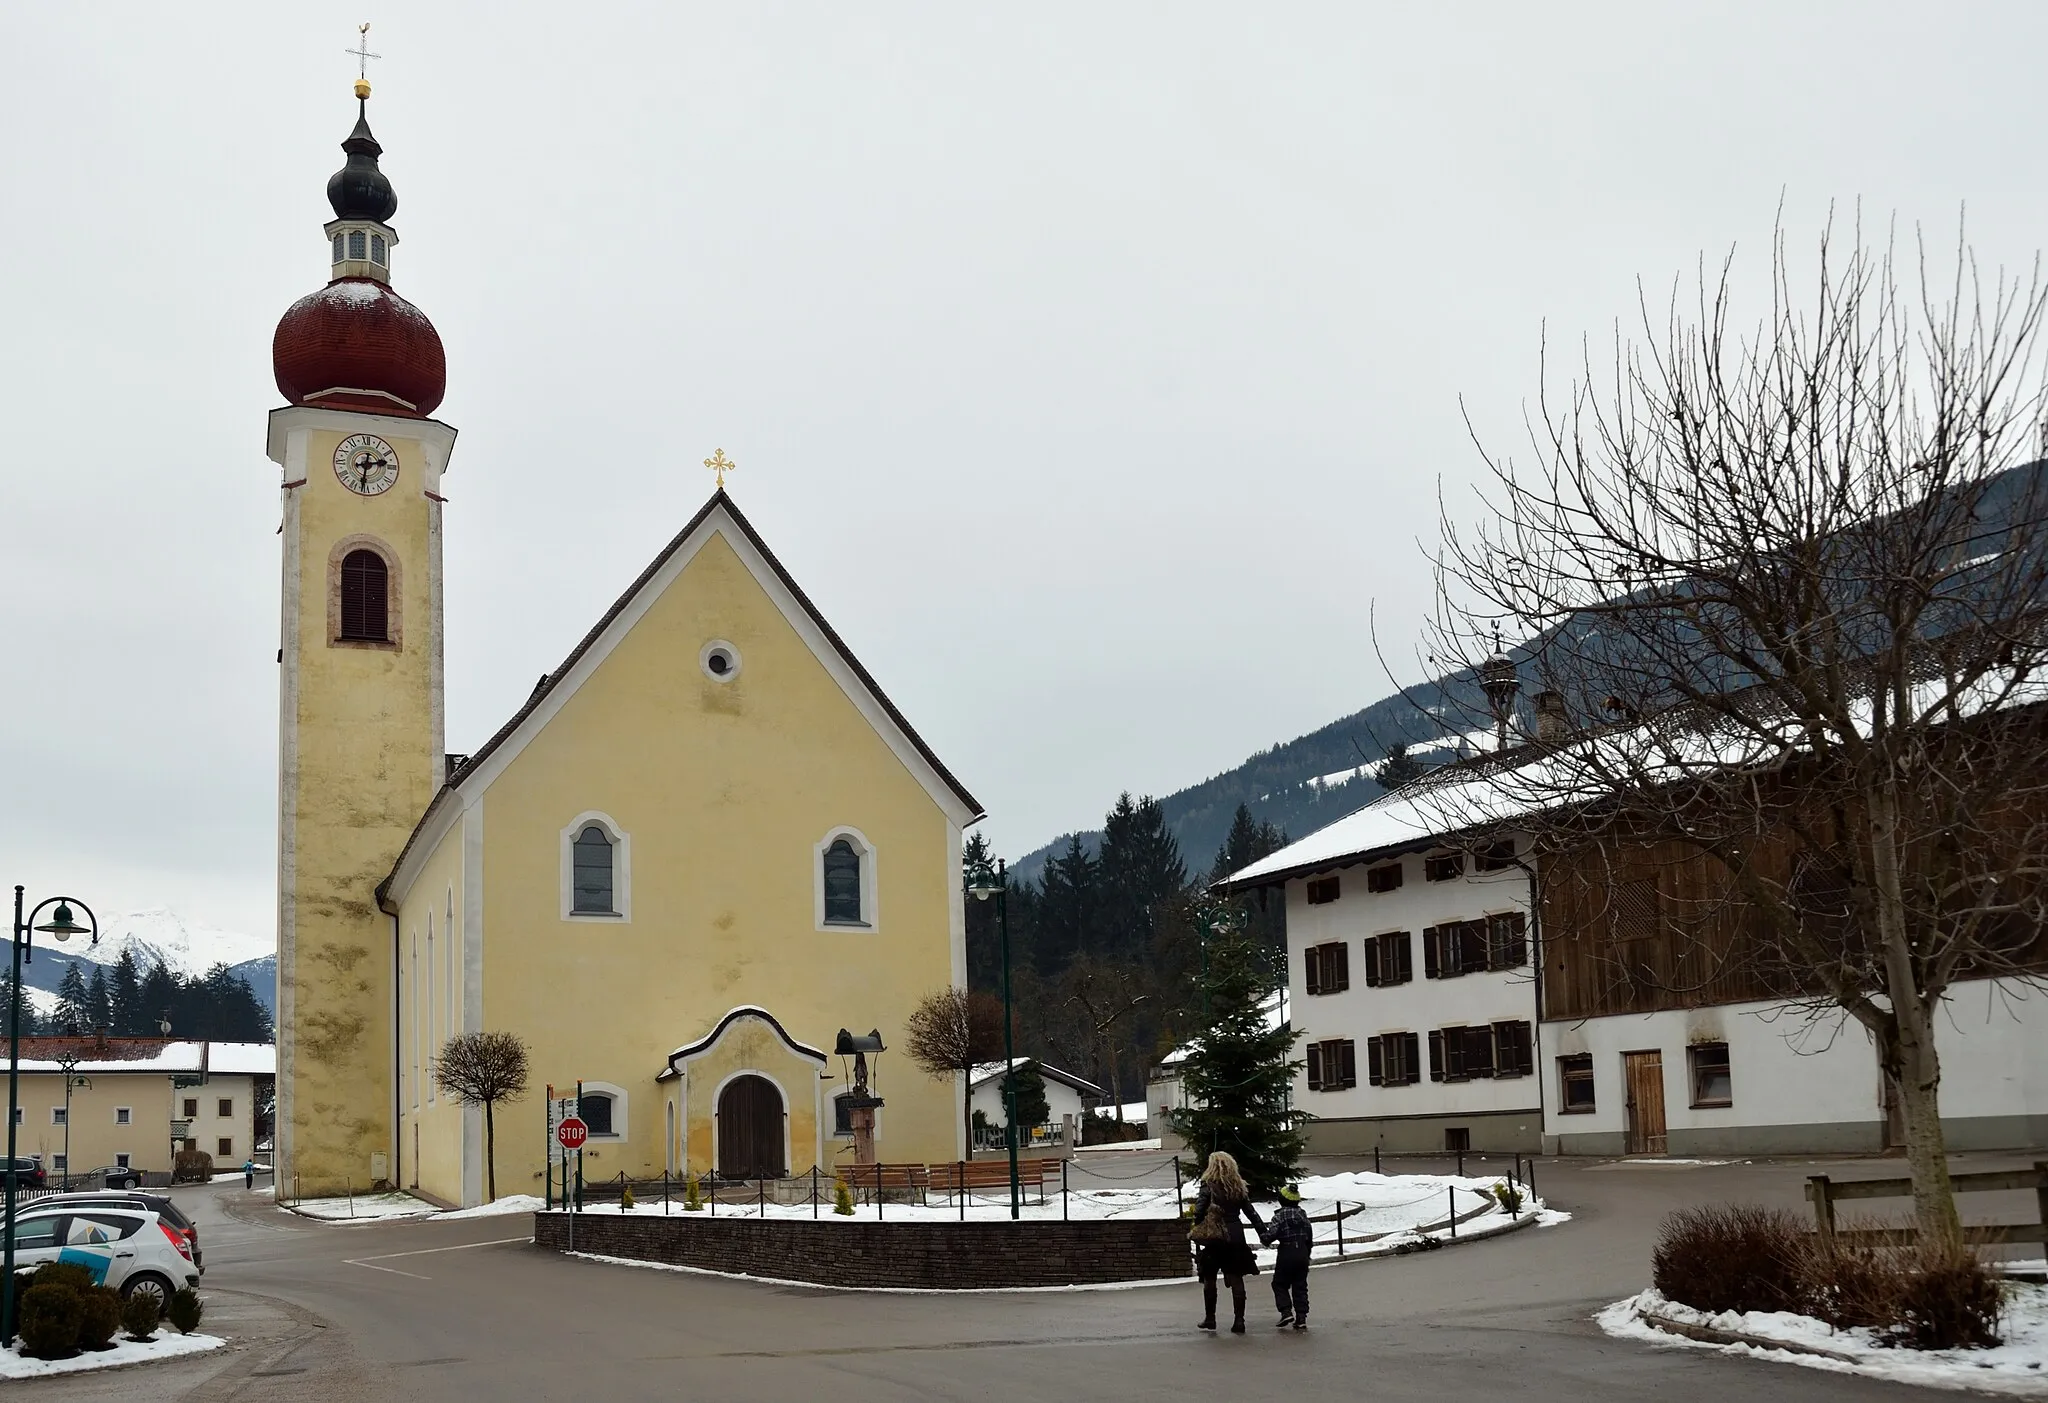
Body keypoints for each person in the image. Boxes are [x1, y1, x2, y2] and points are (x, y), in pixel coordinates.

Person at [1186, 1150, 1264, 1334]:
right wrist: (1263, 1232)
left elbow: (1198, 1211)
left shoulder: (1208, 1186)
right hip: (1235, 1235)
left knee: (1210, 1277)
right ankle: (1239, 1320)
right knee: (1236, 1277)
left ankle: (1210, 1318)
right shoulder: (1238, 1186)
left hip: (1215, 1236)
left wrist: (1199, 1225)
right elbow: (1251, 1212)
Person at [1262, 1182, 1312, 1330]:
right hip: (1302, 1252)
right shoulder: (1303, 1215)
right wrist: (1307, 1253)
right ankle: (1301, 1317)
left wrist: (1264, 1236)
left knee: (1279, 1283)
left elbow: (1270, 1236)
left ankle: (1286, 1311)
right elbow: (1309, 1236)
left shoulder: (1280, 1216)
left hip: (1286, 1252)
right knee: (1300, 1285)